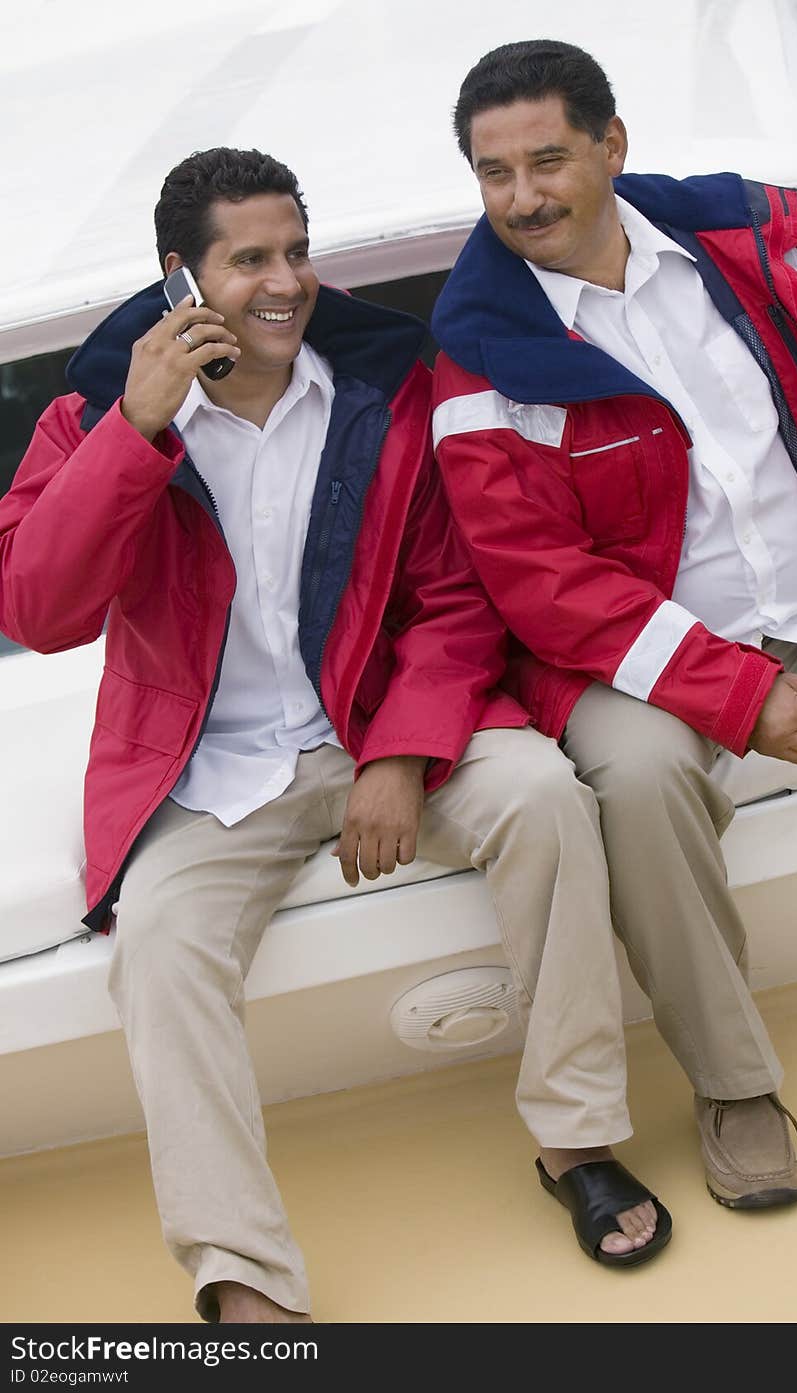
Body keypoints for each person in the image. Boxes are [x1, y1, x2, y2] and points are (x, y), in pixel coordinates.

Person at [0, 146, 675, 1325]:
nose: (286, 281)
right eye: (248, 259)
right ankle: (243, 1274)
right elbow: (40, 612)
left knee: (545, 799)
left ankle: (576, 1142)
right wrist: (135, 431)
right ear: (180, 279)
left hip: (379, 720)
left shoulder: (384, 383)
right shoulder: (90, 412)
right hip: (207, 768)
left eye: (297, 251)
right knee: (156, 945)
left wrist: (401, 756)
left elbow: (454, 593)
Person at [432, 39, 797, 1220]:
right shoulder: (476, 348)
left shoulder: (753, 240)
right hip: (633, 655)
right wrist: (733, 694)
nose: (522, 197)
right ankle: (736, 1087)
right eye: (493, 174)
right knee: (632, 783)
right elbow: (543, 585)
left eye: (546, 160)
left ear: (611, 147)